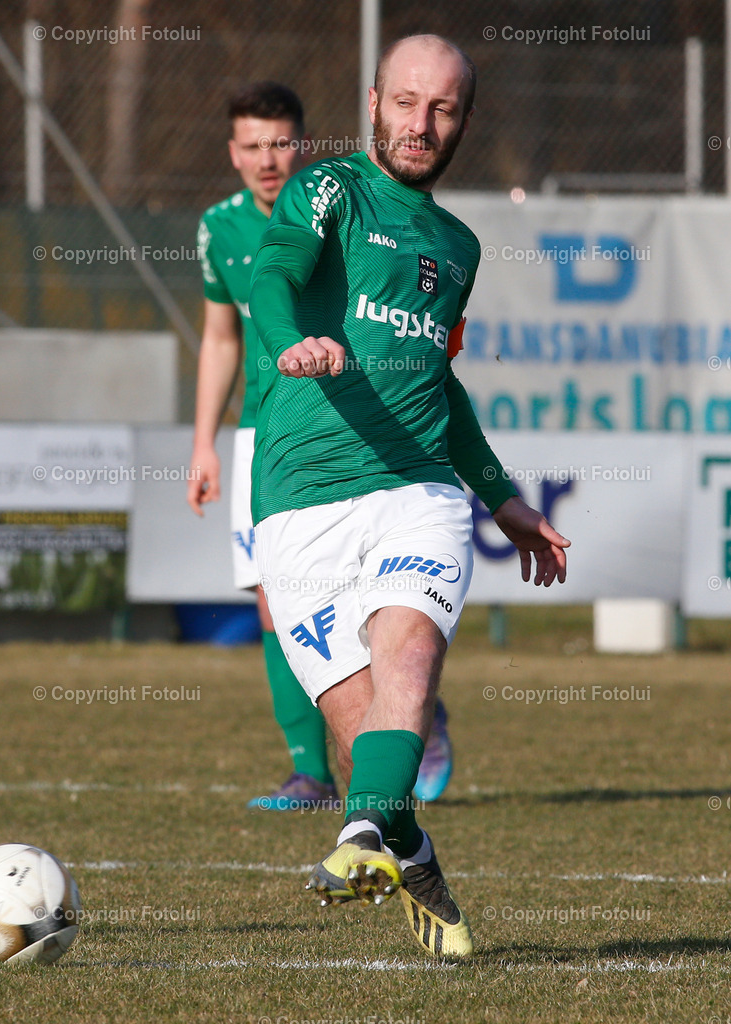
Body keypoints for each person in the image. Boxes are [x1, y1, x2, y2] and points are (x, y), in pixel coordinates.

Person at [248, 35, 570, 957]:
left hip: (417, 488)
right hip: (297, 501)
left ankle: (358, 841)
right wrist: (287, 342)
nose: (420, 124)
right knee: (364, 746)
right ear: (373, 101)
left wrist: (501, 498)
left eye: (441, 109)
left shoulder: (456, 247)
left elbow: (440, 382)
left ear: (463, 120)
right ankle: (405, 847)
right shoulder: (329, 191)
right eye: (405, 103)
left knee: (410, 658)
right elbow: (273, 274)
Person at [187, 83, 337, 809]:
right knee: (272, 600)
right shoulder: (219, 228)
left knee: (363, 597)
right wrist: (203, 444)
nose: (266, 159)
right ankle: (309, 771)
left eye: (279, 142)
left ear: (301, 144)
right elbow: (220, 337)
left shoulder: (337, 211)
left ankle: (414, 710)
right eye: (251, 145)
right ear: (232, 152)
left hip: (343, 426)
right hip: (261, 434)